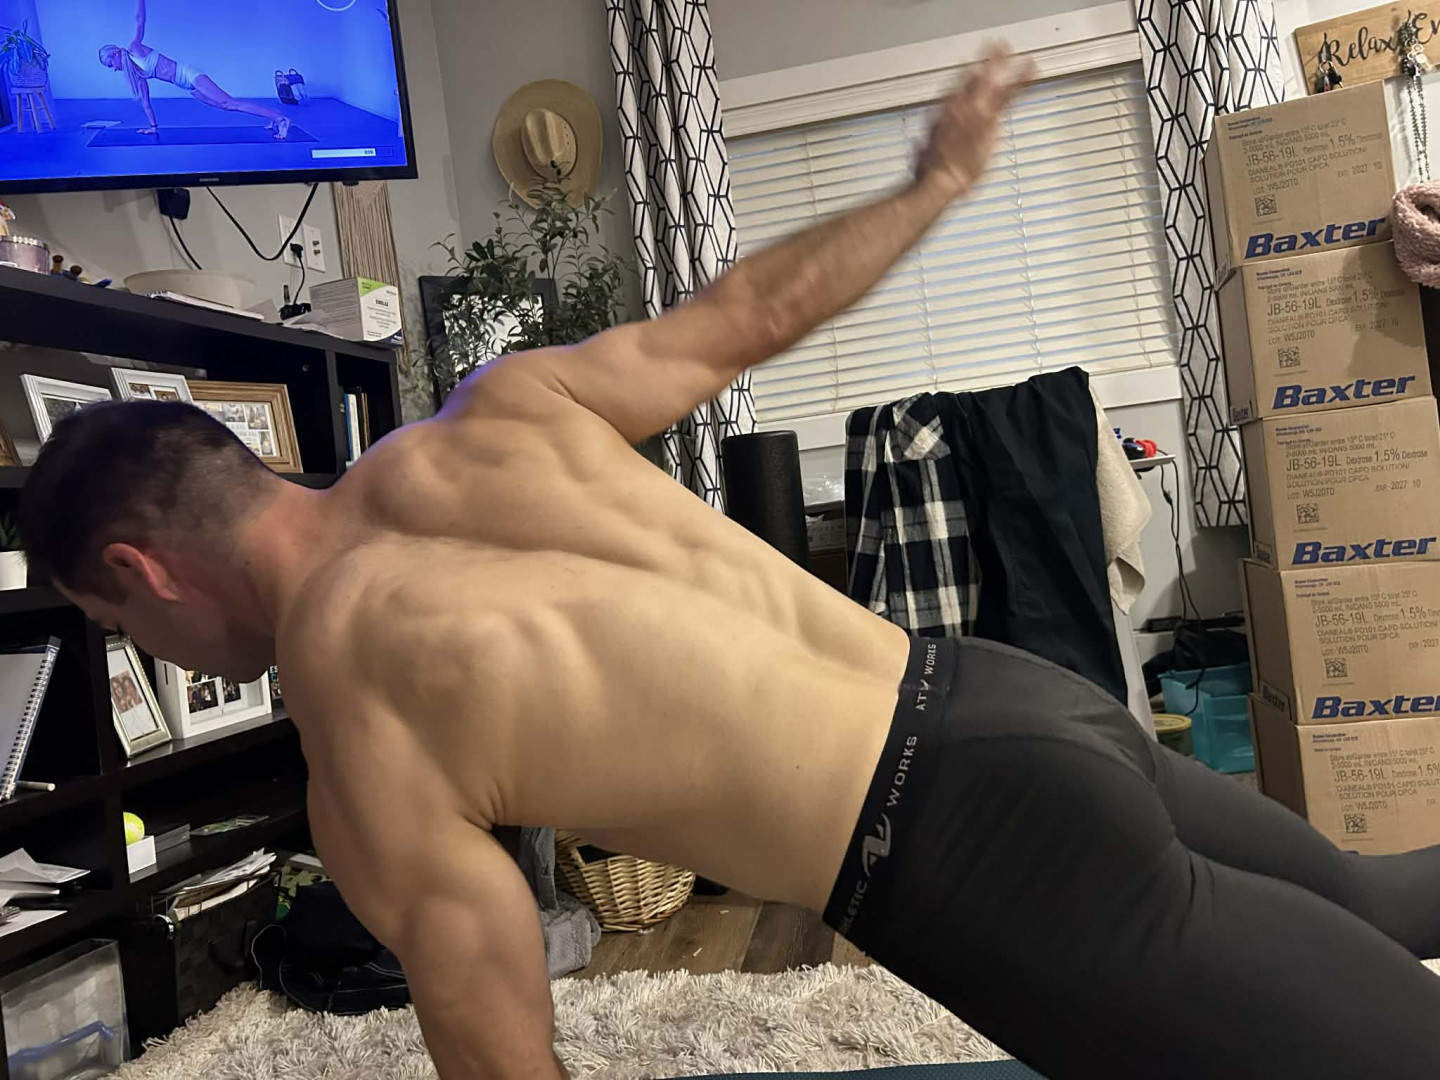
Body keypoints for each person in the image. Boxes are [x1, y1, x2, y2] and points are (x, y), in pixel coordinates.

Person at [21, 48, 1440, 1079]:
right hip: (997, 695)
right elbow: (748, 311)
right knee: (1378, 904)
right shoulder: (492, 417)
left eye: (115, 623)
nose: (154, 655)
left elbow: (503, 1055)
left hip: (960, 853)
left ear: (144, 572)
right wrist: (936, 181)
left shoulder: (358, 747)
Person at [98, 0, 291, 139]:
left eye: (110, 64)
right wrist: (153, 127)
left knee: (229, 103)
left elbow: (140, 21)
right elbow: (145, 102)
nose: (113, 69)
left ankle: (280, 119)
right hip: (189, 87)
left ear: (115, 54)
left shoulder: (134, 49)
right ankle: (271, 116)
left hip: (189, 75)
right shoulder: (136, 73)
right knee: (224, 106)